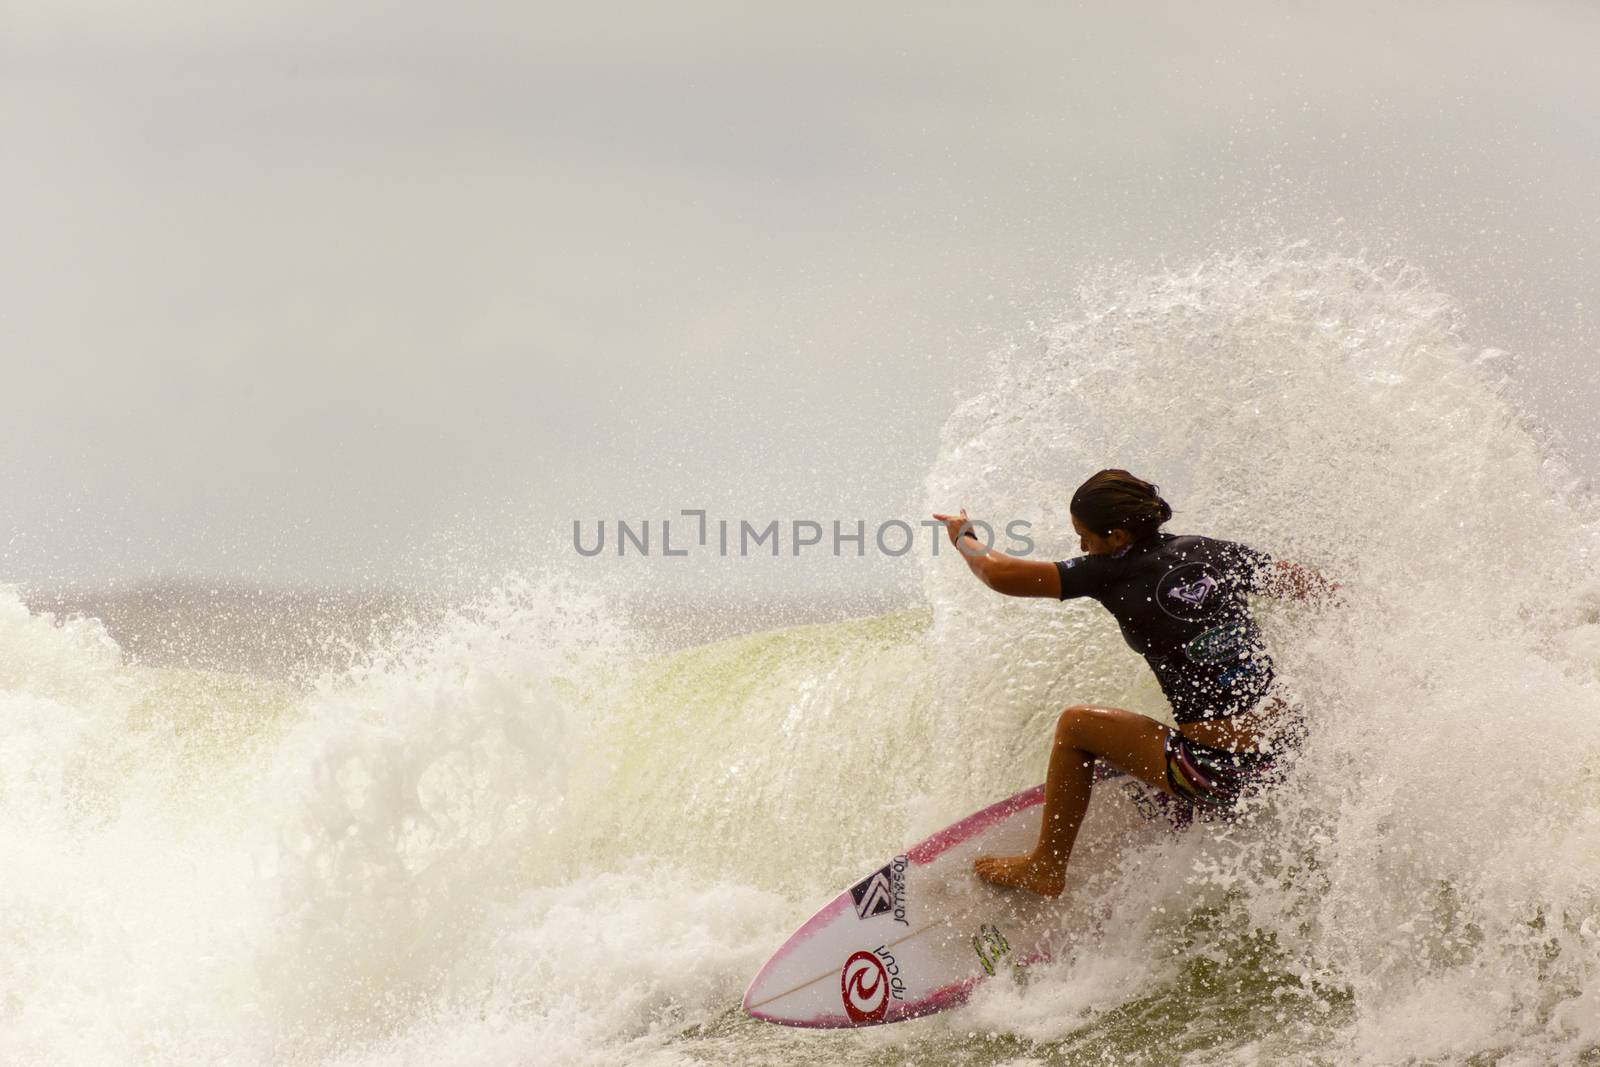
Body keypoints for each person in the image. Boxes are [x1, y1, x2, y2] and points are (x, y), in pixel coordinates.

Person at [932, 469, 1336, 897]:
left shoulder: (1109, 573)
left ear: (1119, 537)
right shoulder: (1214, 552)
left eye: (1085, 536)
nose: (1082, 546)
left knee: (1076, 726)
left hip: (1223, 774)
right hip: (1291, 755)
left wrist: (964, 536)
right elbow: (1314, 586)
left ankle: (1045, 867)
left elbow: (1000, 574)